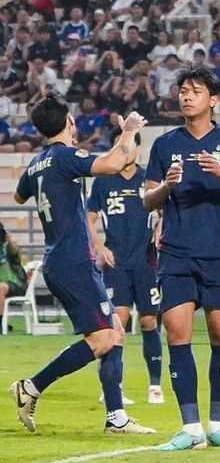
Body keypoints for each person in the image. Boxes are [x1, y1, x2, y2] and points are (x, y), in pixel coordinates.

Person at [9, 95, 154, 435]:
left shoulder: (36, 163)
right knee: (105, 338)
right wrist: (129, 130)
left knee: (114, 331)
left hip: (58, 259)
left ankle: (116, 418)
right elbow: (112, 163)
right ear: (70, 122)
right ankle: (31, 386)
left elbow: (18, 197)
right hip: (73, 261)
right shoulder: (64, 156)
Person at [142, 65, 220, 450]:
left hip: (216, 255)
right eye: (183, 90)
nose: (186, 96)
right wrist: (166, 185)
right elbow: (146, 200)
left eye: (195, 90)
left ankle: (217, 424)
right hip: (174, 253)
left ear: (213, 99)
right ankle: (190, 428)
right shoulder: (164, 144)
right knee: (177, 334)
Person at [87, 152, 164, 404]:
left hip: (145, 262)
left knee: (149, 321)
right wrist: (99, 246)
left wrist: (160, 230)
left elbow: (164, 212)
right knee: (117, 321)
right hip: (116, 263)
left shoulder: (149, 179)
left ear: (138, 150)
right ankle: (112, 385)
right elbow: (89, 218)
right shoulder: (104, 180)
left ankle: (155, 386)